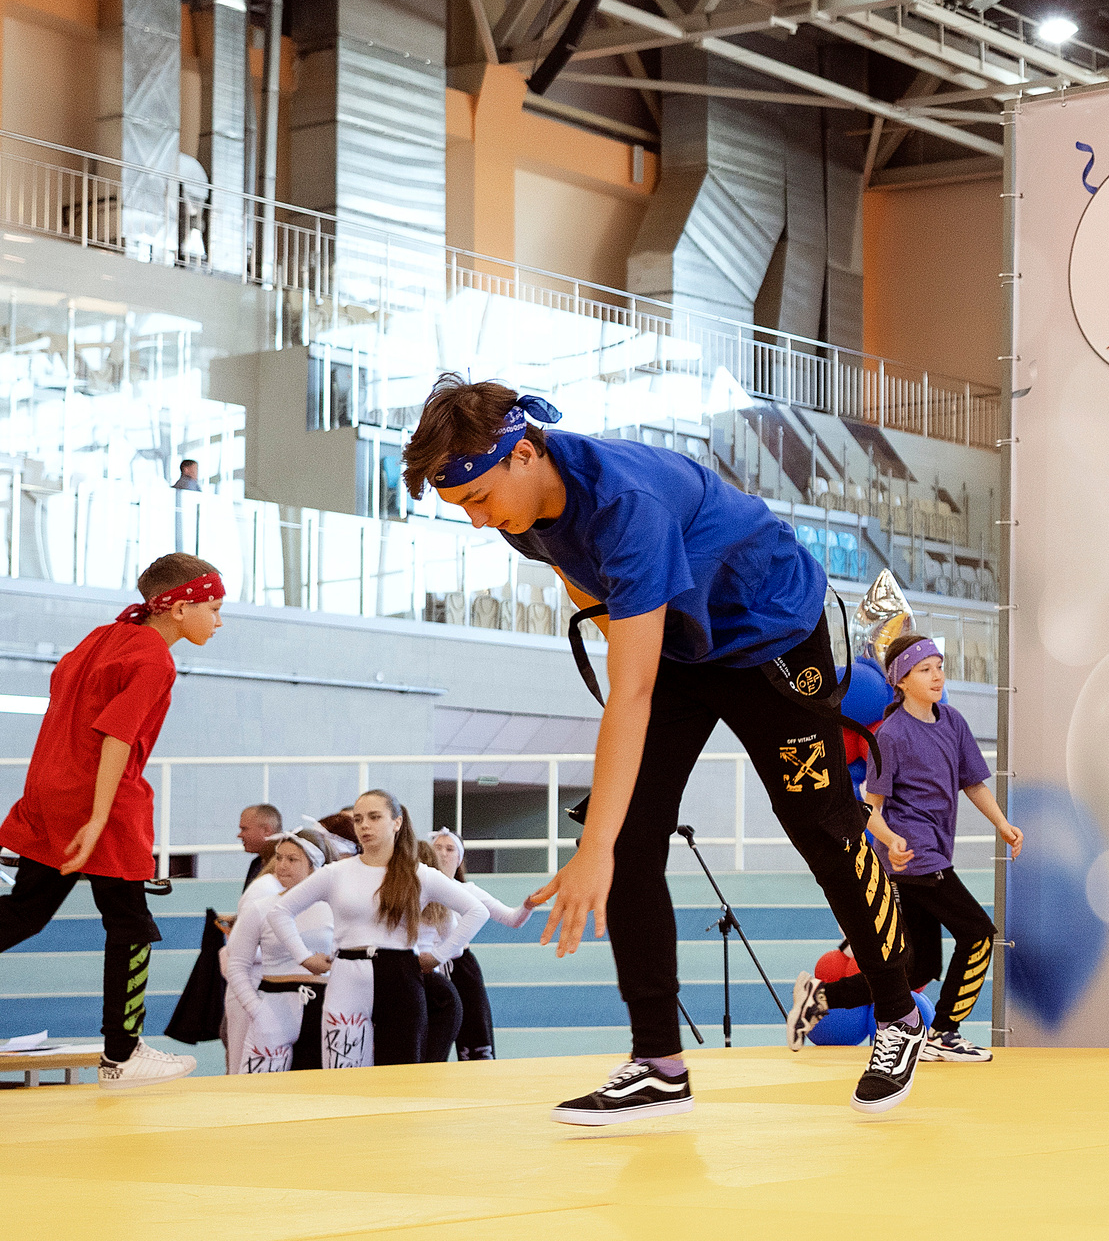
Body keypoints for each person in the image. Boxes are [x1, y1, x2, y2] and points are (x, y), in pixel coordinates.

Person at [403, 376, 920, 1123]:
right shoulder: (521, 511)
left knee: (820, 824)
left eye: (479, 499)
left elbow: (630, 694)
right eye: (465, 509)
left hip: (770, 633)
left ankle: (901, 1017)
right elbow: (592, 596)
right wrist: (607, 836)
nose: (480, 522)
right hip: (683, 643)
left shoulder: (627, 509)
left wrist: (595, 848)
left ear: (521, 454)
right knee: (628, 836)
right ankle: (658, 1062)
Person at [0, 552, 225, 1086]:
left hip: (48, 791)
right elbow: (116, 736)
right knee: (130, 924)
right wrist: (100, 817)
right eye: (213, 608)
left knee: (24, 913)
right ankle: (123, 1055)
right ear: (178, 608)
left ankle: (123, 1052)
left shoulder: (102, 637)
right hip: (100, 799)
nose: (219, 621)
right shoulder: (155, 659)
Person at [857, 633, 1017, 1064]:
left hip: (933, 857)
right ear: (901, 680)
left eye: (940, 666)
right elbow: (869, 809)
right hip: (915, 858)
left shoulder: (953, 722)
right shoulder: (890, 735)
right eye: (925, 669)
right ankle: (944, 1033)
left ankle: (821, 996)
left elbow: (972, 783)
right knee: (979, 933)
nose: (937, 675)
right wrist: (891, 841)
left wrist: (1001, 823)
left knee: (918, 967)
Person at [262, 788, 491, 1068]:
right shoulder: (335, 873)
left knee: (401, 1076)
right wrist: (304, 958)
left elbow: (476, 911)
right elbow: (280, 911)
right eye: (358, 819)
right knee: (342, 1072)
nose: (364, 826)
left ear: (396, 822)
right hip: (347, 973)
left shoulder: (419, 873)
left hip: (401, 975)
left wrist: (440, 955)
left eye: (374, 817)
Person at [220, 830, 334, 1073]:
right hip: (273, 1004)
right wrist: (257, 1009)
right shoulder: (260, 909)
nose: (281, 866)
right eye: (279, 858)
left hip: (323, 1008)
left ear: (314, 864)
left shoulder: (334, 908)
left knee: (319, 1091)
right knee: (264, 1095)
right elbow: (237, 965)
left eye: (292, 860)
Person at [426, 828, 532, 1060]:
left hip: (461, 969)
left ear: (459, 858)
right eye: (438, 848)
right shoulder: (420, 888)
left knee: (476, 1039)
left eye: (449, 849)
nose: (443, 853)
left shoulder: (468, 891)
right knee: (430, 1041)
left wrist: (528, 905)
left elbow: (512, 919)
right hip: (427, 970)